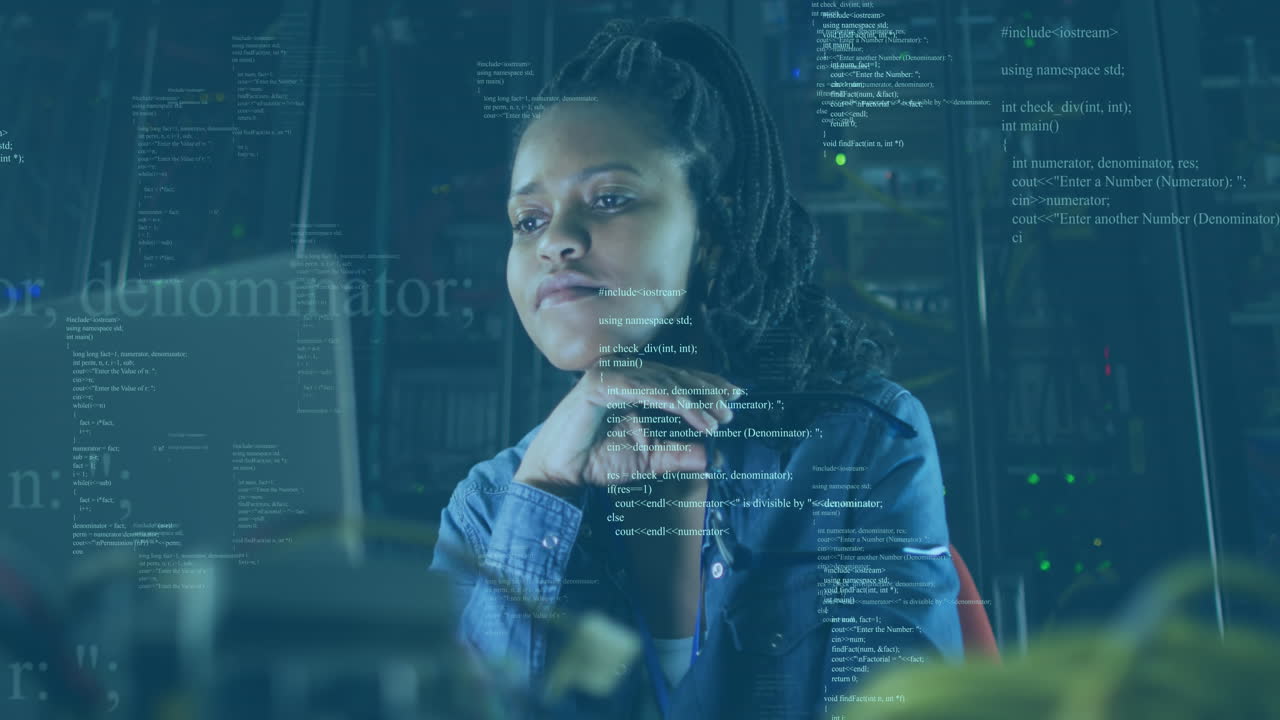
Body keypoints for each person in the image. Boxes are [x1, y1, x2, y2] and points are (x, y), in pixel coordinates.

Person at [429, 17, 963, 720]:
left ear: (712, 231)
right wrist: (545, 489)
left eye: (610, 199)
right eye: (528, 219)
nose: (555, 239)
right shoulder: (492, 505)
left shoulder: (857, 447)